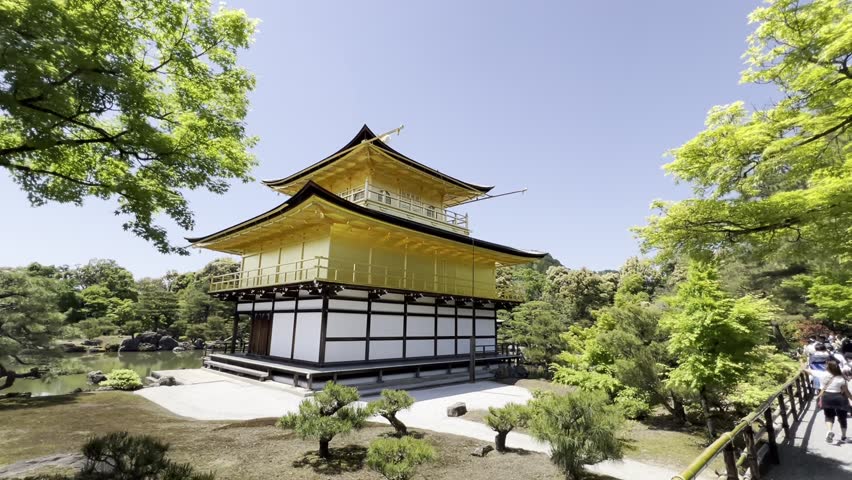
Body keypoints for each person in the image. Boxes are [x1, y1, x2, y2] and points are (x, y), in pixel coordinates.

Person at [806, 360, 852, 443]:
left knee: (829, 416)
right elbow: (846, 391)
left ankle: (829, 431)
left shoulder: (822, 374)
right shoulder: (841, 378)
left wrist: (802, 368)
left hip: (827, 397)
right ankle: (844, 437)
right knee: (842, 417)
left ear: (827, 367)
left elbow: (809, 371)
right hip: (839, 398)